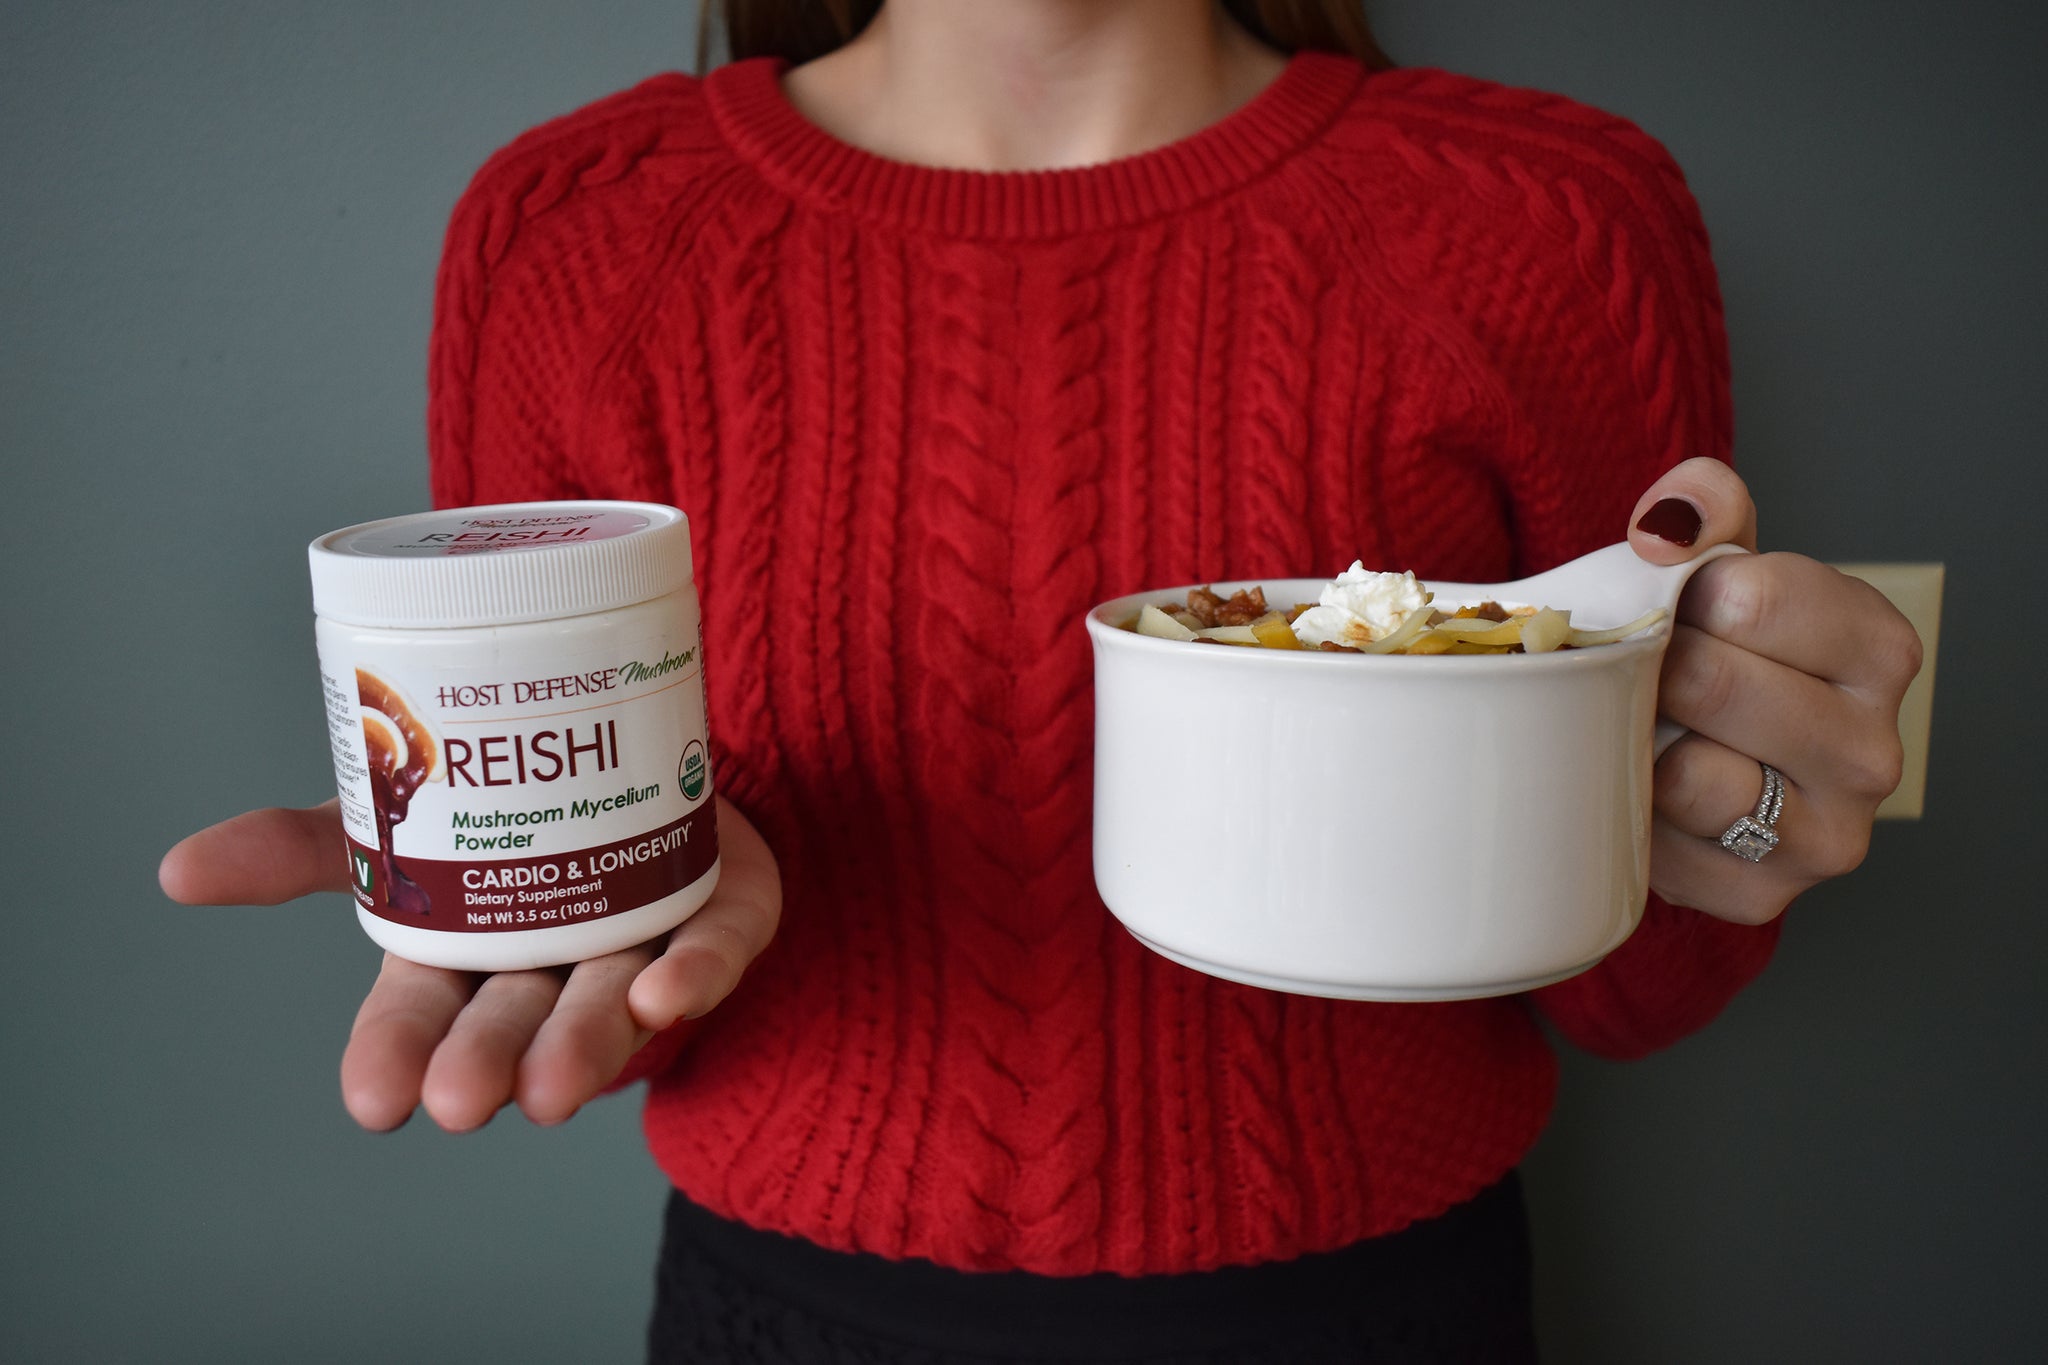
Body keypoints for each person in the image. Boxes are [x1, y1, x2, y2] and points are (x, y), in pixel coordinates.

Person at [160, 2, 1922, 1359]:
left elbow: (1640, 989)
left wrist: (1742, 817)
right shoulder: (577, 238)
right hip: (778, 1316)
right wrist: (577, 916)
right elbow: (592, 968)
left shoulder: (1548, 221)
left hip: (1388, 1308)